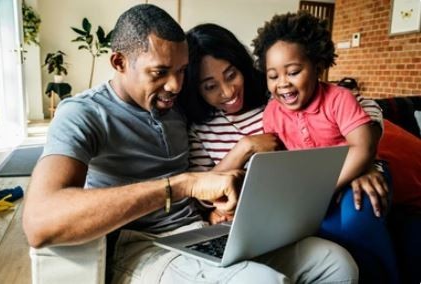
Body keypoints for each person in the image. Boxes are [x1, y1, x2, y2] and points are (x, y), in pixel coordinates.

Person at [22, 4, 359, 284]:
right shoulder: (84, 113)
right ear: (119, 63)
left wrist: (368, 158)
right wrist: (182, 185)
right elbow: (40, 222)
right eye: (160, 72)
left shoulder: (177, 105)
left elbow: (319, 103)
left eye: (182, 71)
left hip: (201, 233)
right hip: (142, 245)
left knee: (336, 264)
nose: (174, 85)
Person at [178, 22, 396, 283]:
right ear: (196, 89)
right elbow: (202, 195)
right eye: (210, 86)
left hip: (308, 196)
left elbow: (365, 109)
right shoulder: (201, 129)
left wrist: (360, 163)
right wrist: (245, 147)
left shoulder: (276, 100)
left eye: (231, 74)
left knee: (352, 225)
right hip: (265, 219)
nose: (227, 91)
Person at [252, 12, 398, 283]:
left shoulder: (339, 99)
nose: (282, 82)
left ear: (318, 66)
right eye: (273, 76)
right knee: (320, 229)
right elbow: (278, 160)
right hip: (315, 189)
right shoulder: (272, 112)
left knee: (357, 218)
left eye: (293, 72)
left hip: (359, 174)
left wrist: (322, 188)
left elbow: (363, 148)